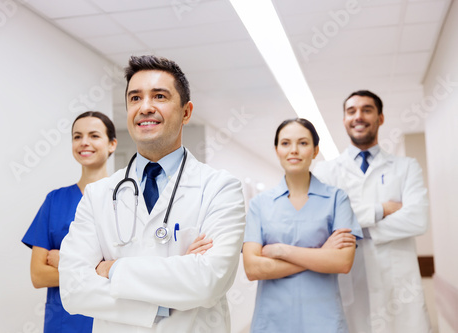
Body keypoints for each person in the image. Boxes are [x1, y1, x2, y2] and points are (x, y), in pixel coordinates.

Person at [58, 55, 246, 333]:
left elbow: (208, 283)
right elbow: (74, 290)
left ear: (186, 111)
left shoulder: (220, 188)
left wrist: (112, 269)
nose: (145, 107)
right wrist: (164, 299)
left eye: (159, 96)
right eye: (135, 98)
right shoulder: (98, 195)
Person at [314, 90, 431, 333]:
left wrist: (354, 228)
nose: (359, 116)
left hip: (398, 288)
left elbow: (417, 220)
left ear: (380, 118)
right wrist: (381, 210)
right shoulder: (325, 172)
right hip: (349, 285)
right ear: (345, 119)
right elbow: (321, 224)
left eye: (367, 110)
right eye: (351, 111)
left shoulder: (406, 167)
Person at [243, 118, 363, 332]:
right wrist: (322, 254)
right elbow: (252, 268)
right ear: (277, 149)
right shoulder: (260, 205)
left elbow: (343, 263)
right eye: (286, 143)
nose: (294, 150)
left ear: (315, 150)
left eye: (303, 143)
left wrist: (281, 250)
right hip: (273, 321)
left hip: (323, 320)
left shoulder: (337, 199)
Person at [22, 111, 118, 332]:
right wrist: (101, 268)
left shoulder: (126, 199)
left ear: (112, 144)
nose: (84, 142)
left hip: (111, 318)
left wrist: (64, 261)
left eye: (94, 135)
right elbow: (38, 275)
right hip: (64, 323)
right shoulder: (55, 200)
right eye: (77, 136)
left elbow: (131, 268)